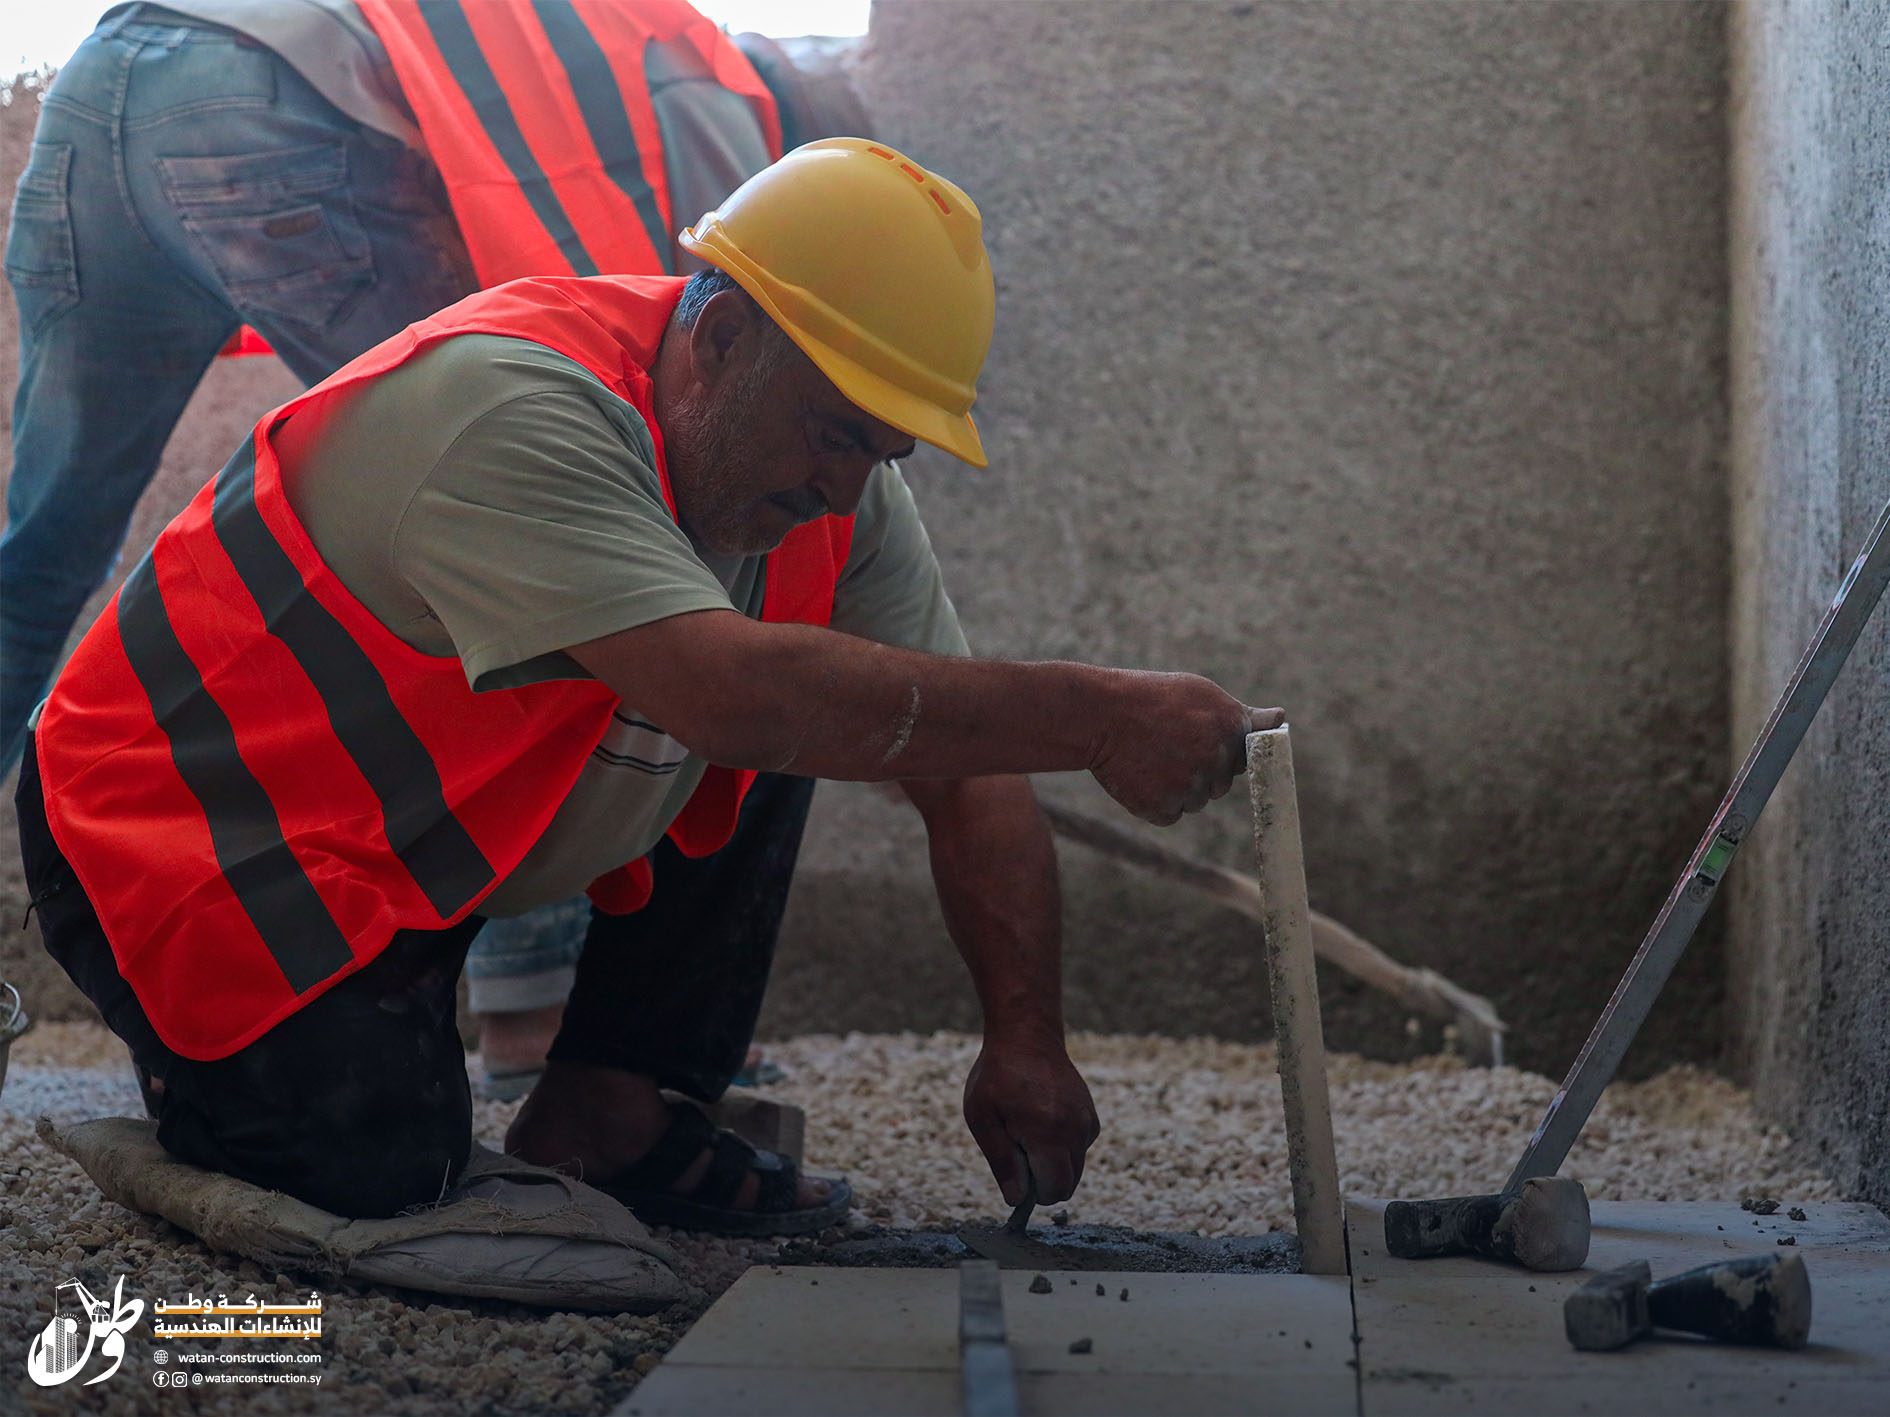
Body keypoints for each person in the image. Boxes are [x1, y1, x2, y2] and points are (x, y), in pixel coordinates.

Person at [18, 138, 1281, 1234]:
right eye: (837, 431)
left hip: (407, 840)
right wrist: (1104, 712)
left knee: (847, 692)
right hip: (188, 829)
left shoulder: (833, 491)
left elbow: (961, 764)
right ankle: (203, 1088)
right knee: (373, 1168)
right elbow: (736, 697)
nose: (848, 487)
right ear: (722, 336)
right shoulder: (511, 402)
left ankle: (610, 1109)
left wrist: (1025, 1039)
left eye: (882, 448)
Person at [0, 0, 853, 1091]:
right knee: (502, 499)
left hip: (117, 68)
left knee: (43, 551)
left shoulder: (631, 27)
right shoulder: (716, 82)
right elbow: (673, 341)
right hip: (266, 99)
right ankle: (530, 1005)